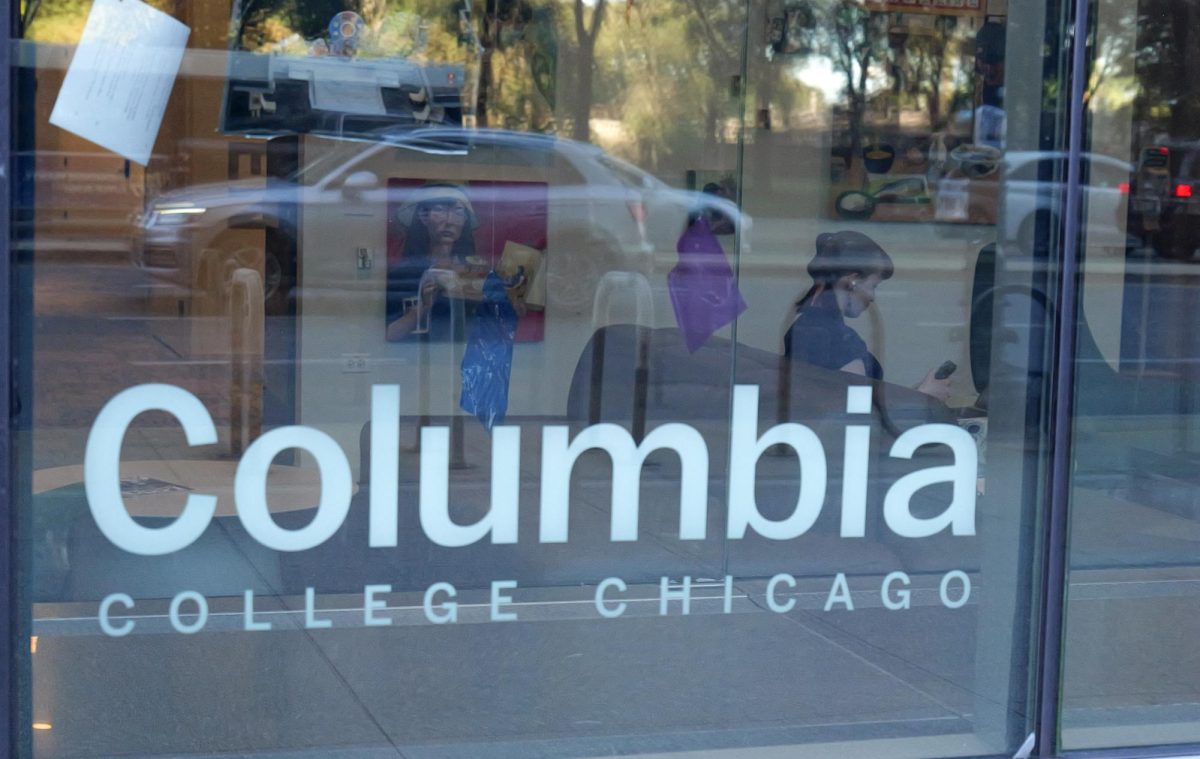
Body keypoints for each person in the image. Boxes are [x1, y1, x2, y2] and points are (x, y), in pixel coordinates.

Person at [783, 230, 952, 401]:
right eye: (873, 286)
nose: (872, 297)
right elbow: (858, 412)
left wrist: (913, 395)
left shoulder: (806, 326)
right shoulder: (836, 338)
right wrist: (924, 397)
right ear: (852, 281)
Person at [386, 184, 478, 342]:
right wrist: (423, 306)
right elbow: (389, 335)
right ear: (423, 216)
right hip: (415, 360)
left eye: (458, 212)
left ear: (465, 220)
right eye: (440, 210)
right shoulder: (403, 274)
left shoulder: (475, 271)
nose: (449, 221)